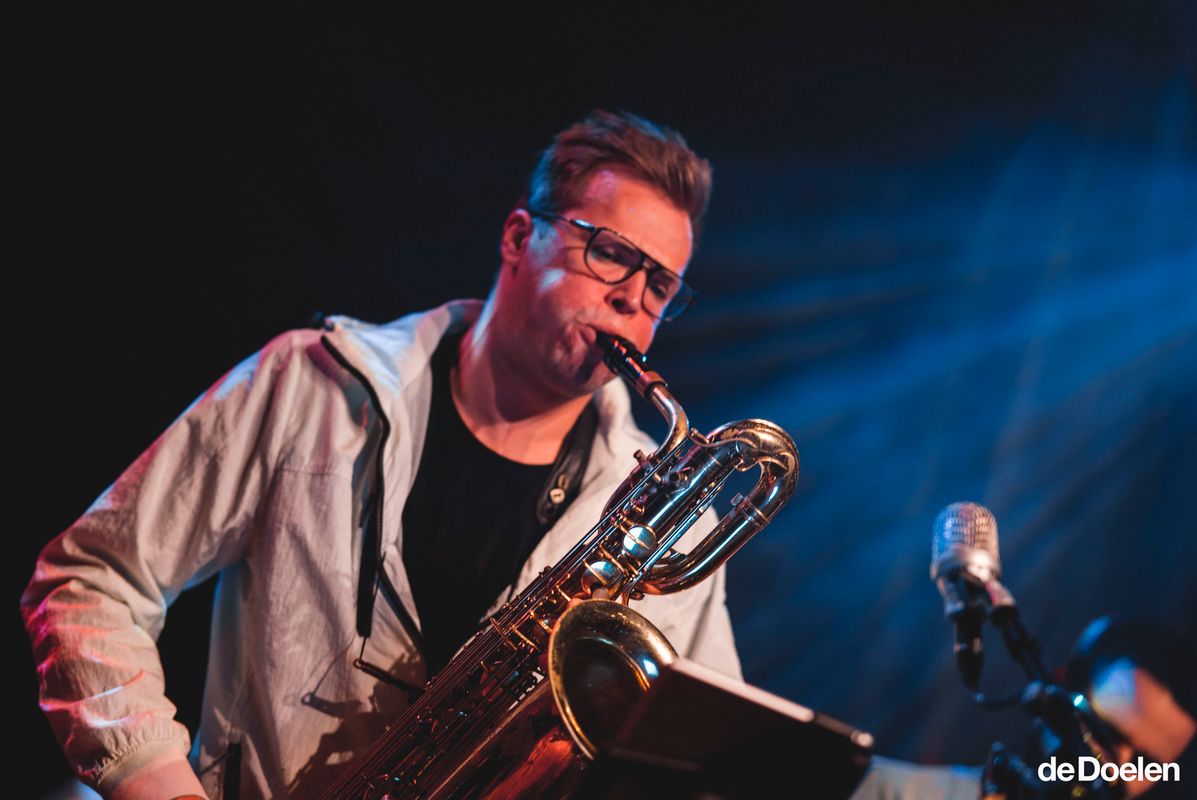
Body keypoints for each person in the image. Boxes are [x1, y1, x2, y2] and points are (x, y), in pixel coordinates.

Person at [23, 110, 741, 799]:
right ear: (519, 237)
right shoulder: (307, 384)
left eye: (660, 285)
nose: (632, 301)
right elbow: (92, 580)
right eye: (611, 253)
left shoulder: (669, 514)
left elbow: (697, 756)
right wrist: (155, 783)